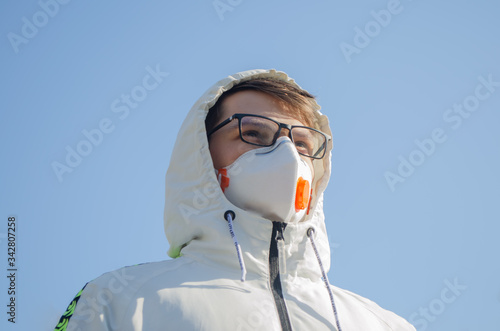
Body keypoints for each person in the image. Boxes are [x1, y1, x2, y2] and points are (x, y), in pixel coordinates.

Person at [55, 69, 415, 330]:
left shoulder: (384, 324)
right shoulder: (121, 301)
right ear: (201, 157)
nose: (287, 154)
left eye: (303, 143)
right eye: (254, 132)